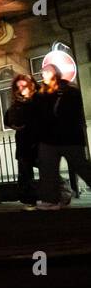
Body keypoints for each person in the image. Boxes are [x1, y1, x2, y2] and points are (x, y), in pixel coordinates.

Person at [33, 63, 87, 210]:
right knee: (48, 169)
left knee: (81, 166)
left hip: (68, 137)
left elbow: (71, 114)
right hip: (50, 138)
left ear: (53, 73)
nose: (41, 74)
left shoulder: (69, 91)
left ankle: (51, 200)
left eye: (44, 72)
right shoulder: (42, 93)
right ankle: (50, 200)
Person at [4, 73, 40, 207]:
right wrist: (16, 125)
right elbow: (8, 119)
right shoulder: (17, 103)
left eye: (23, 85)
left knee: (46, 169)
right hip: (24, 140)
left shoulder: (38, 98)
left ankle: (58, 193)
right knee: (25, 171)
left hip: (38, 140)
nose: (21, 88)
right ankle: (29, 199)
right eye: (18, 86)